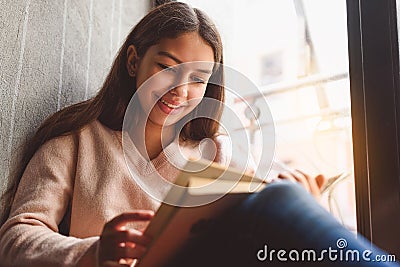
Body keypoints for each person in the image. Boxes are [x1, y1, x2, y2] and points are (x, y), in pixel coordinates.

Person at [0, 2, 398, 266]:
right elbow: (15, 239)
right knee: (279, 199)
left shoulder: (213, 153)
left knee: (281, 197)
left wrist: (309, 203)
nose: (181, 90)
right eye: (166, 67)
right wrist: (94, 252)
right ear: (134, 60)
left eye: (198, 80)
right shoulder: (74, 142)